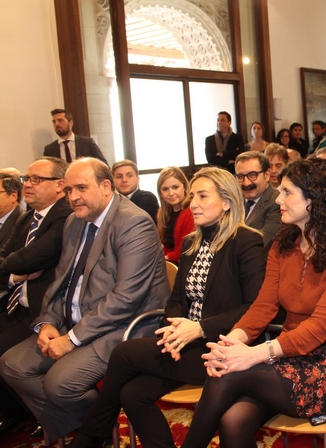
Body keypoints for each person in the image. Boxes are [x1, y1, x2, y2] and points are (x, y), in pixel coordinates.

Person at [67, 167, 266, 448]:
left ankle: (90, 436)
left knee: (124, 352)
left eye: (202, 196)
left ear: (226, 202)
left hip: (222, 349)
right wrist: (174, 330)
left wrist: (198, 329)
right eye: (192, 196)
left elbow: (255, 307)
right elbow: (175, 301)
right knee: (132, 393)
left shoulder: (245, 241)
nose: (193, 203)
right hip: (185, 344)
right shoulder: (190, 243)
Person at [176, 158, 326, 448]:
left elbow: (319, 328)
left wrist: (252, 355)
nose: (278, 198)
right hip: (286, 354)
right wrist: (232, 343)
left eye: (287, 192)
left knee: (227, 375)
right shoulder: (284, 245)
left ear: (315, 199)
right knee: (233, 420)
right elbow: (263, 307)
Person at [0, 157, 170, 444]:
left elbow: (126, 298)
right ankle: (91, 427)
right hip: (74, 321)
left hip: (123, 327)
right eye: (68, 190)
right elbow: (61, 280)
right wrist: (47, 323)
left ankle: (91, 431)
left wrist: (72, 339)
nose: (73, 197)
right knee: (12, 365)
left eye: (81, 188)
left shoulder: (134, 222)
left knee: (60, 384)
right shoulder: (74, 221)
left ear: (106, 186)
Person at [0, 161, 69, 435]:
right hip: (18, 305)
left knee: (6, 356)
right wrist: (16, 270)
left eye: (36, 179)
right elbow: (11, 259)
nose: (27, 184)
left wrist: (16, 264)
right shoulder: (29, 217)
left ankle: (57, 413)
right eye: (27, 178)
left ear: (58, 185)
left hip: (47, 314)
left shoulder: (64, 215)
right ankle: (20, 409)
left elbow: (31, 257)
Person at [235, 152, 282, 250]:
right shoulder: (234, 201)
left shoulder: (276, 203)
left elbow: (262, 244)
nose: (246, 183)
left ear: (267, 175)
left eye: (252, 175)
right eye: (240, 176)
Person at [157, 167, 194, 264]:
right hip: (168, 263)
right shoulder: (163, 213)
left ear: (185, 187)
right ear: (160, 193)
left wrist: (165, 258)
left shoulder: (192, 211)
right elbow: (160, 244)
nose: (171, 193)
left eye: (175, 187)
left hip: (184, 263)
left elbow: (186, 248)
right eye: (165, 189)